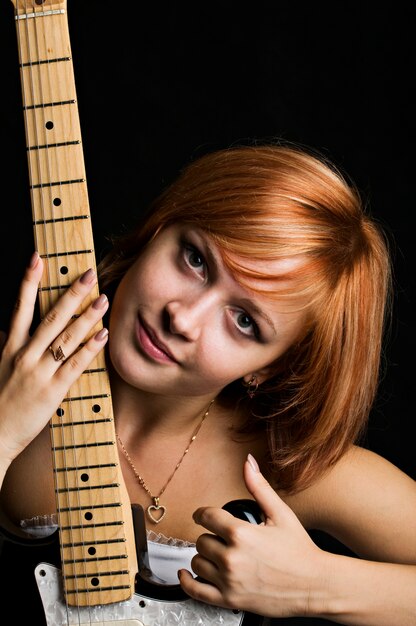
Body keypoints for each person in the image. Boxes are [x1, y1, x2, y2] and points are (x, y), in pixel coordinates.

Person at [0, 143, 415, 625]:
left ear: (273, 367)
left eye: (243, 320)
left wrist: (314, 585)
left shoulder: (290, 469)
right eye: (195, 259)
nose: (182, 318)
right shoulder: (8, 385)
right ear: (159, 229)